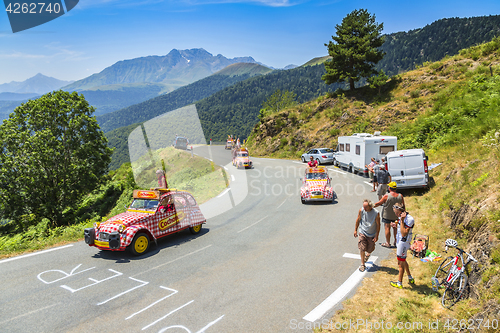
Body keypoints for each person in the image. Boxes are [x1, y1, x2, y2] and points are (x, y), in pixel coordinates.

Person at [390, 204, 415, 288]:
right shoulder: (401, 217)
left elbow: (404, 233)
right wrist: (396, 225)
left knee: (400, 263)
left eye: (396, 213)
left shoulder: (409, 219)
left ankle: (399, 283)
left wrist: (402, 220)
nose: (396, 215)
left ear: (401, 211)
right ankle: (410, 277)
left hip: (403, 243)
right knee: (403, 261)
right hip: (400, 242)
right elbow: (401, 229)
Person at [374, 181, 404, 248]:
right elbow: (403, 206)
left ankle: (388, 243)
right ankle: (396, 242)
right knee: (395, 228)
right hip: (397, 215)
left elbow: (379, 203)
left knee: (387, 228)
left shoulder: (386, 196)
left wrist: (371, 206)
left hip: (387, 215)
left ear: (390, 188)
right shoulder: (400, 196)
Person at [354, 199, 381, 272]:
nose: (364, 209)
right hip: (363, 232)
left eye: (366, 207)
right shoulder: (361, 210)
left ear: (371, 207)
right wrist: (355, 230)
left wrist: (377, 235)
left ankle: (368, 255)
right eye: (363, 207)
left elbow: (378, 225)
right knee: (362, 248)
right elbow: (358, 219)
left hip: (371, 233)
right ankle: (362, 264)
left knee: (370, 249)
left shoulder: (376, 213)